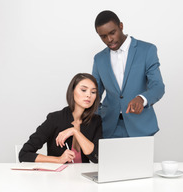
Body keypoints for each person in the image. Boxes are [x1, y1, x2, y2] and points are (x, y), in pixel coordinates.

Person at [92, 10, 165, 138]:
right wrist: (97, 118)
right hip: (109, 128)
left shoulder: (147, 50)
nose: (109, 39)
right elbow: (94, 94)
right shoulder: (99, 59)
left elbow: (158, 86)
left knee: (140, 159)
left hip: (141, 126)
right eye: (103, 36)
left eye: (112, 33)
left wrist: (142, 99)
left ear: (121, 26)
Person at [19, 73, 102, 163]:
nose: (89, 95)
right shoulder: (55, 119)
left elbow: (97, 158)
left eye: (93, 92)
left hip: (83, 176)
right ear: (72, 91)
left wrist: (75, 132)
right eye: (83, 90)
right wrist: (58, 159)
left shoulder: (96, 121)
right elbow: (24, 154)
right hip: (58, 176)